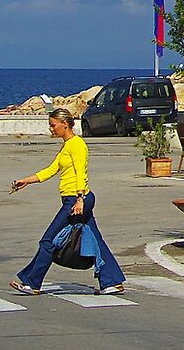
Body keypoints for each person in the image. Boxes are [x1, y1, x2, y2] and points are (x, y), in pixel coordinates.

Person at [8, 109, 125, 294]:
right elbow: (52, 169)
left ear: (65, 124)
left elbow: (81, 173)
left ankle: (32, 283)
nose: (51, 129)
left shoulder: (77, 145)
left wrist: (79, 199)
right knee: (96, 239)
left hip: (77, 200)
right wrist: (27, 181)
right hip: (75, 199)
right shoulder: (67, 145)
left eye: (53, 125)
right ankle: (112, 281)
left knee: (48, 241)